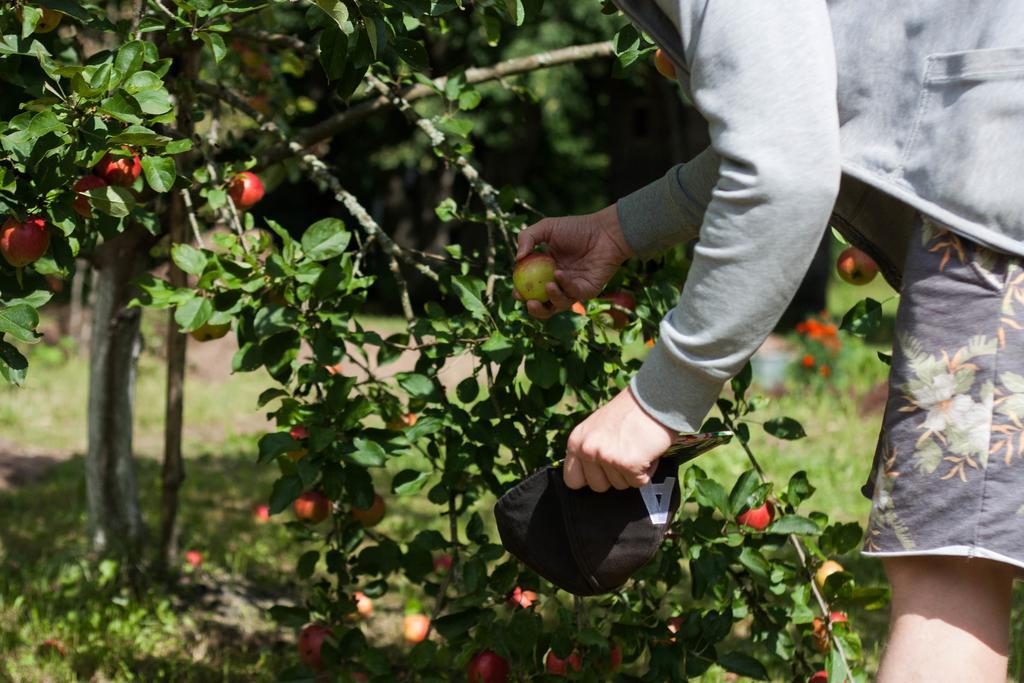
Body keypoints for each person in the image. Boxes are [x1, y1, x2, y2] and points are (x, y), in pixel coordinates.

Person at [515, 1, 1024, 680]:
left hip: (994, 219)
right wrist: (621, 228)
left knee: (947, 592)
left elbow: (785, 162)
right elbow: (828, 111)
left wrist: (659, 398)